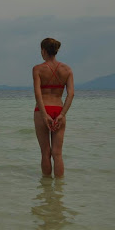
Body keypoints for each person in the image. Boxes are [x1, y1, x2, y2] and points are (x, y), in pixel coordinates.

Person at [33, 38, 74, 177]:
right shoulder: (67, 70)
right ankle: (58, 191)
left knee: (45, 152)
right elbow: (71, 94)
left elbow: (38, 95)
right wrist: (62, 114)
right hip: (58, 109)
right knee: (57, 153)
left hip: (42, 111)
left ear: (44, 51)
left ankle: (46, 190)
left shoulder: (38, 69)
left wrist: (44, 115)